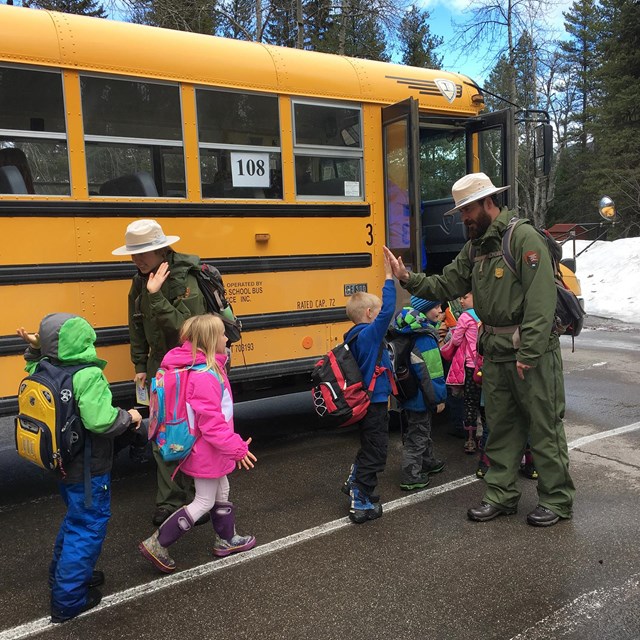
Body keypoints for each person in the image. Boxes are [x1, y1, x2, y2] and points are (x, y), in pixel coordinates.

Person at [383, 172, 575, 528]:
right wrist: (408, 277)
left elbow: (541, 301)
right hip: (496, 351)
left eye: (468, 210)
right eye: (461, 213)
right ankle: (501, 496)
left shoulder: (522, 238)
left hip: (528, 352)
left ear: (488, 203)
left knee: (544, 427)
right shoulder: (475, 248)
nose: (464, 219)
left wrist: (530, 353)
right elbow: (446, 283)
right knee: (500, 428)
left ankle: (557, 500)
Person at [17, 313, 142, 623]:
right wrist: (129, 417)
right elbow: (101, 421)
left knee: (76, 519)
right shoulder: (87, 375)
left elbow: (32, 361)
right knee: (88, 525)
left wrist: (36, 347)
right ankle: (68, 598)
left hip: (62, 463)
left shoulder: (44, 366)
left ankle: (63, 578)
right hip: (89, 467)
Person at [138, 314, 256, 573]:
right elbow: (211, 425)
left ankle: (226, 539)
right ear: (211, 340)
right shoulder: (204, 376)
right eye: (223, 334)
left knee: (221, 491)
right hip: (207, 450)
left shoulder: (202, 368)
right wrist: (237, 448)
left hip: (209, 449)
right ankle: (158, 543)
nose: (227, 338)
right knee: (203, 501)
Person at [112, 219, 207, 527]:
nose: (138, 259)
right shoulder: (141, 279)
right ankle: (171, 501)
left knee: (193, 431)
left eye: (145, 253)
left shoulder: (183, 278)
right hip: (160, 369)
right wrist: (140, 365)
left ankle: (201, 496)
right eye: (134, 254)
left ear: (162, 249)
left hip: (191, 367)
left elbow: (188, 329)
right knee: (163, 433)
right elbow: (136, 323)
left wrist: (156, 295)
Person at [341, 253, 396, 523]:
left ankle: (355, 482)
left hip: (367, 401)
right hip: (373, 403)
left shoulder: (355, 337)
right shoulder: (368, 334)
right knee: (376, 452)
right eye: (377, 312)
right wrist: (389, 278)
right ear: (369, 314)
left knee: (369, 445)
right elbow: (388, 311)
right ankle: (360, 501)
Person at [389, 302, 446, 491]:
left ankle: (428, 461)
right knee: (418, 436)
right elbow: (432, 373)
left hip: (408, 395)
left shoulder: (404, 332)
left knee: (420, 430)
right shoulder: (424, 338)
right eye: (435, 307)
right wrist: (438, 399)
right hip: (422, 398)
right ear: (422, 312)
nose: (440, 310)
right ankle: (411, 475)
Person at [440, 291, 484, 456]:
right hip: (486, 366)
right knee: (485, 405)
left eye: (465, 297)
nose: (461, 301)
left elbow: (456, 340)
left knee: (470, 403)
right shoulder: (486, 314)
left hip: (471, 367)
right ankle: (486, 438)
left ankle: (470, 440)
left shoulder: (465, 317)